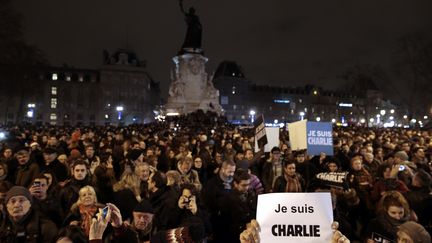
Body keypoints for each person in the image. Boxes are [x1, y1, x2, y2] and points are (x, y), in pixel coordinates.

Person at [219, 169, 257, 243]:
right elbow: (225, 223)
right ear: (235, 184)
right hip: (235, 237)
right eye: (244, 185)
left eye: (248, 184)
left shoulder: (252, 195)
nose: (247, 188)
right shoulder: (227, 199)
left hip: (251, 236)